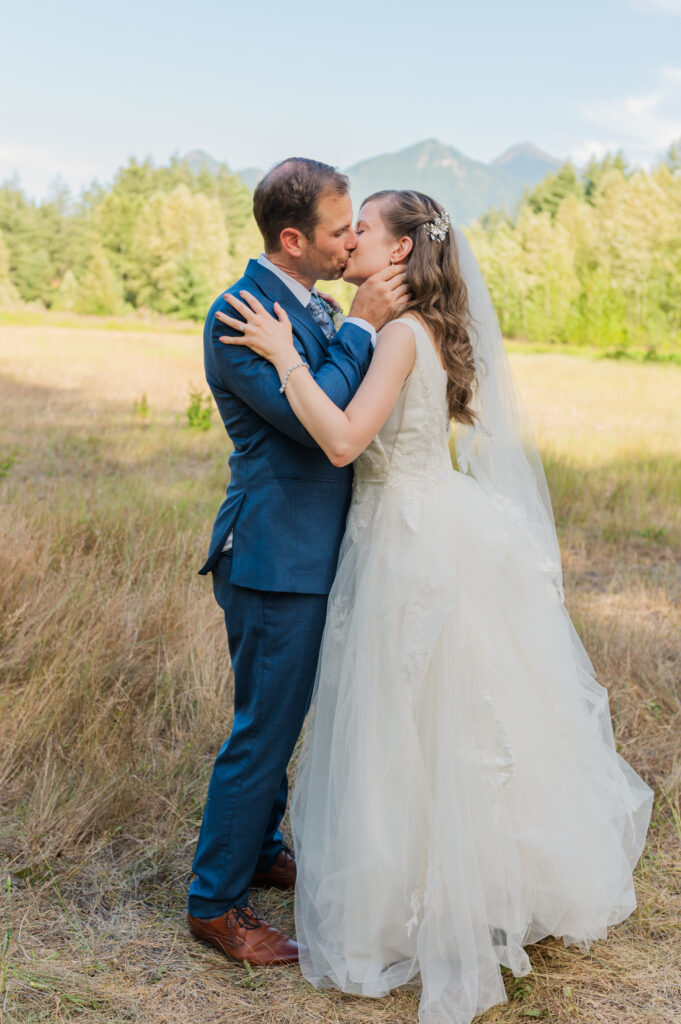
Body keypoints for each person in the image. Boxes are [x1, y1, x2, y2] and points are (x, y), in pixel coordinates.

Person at [216, 189, 654, 1024]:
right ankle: (452, 873)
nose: (348, 243)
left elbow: (343, 441)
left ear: (400, 253)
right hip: (428, 521)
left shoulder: (396, 339)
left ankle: (412, 894)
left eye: (364, 231)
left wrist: (285, 357)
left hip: (403, 538)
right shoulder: (421, 331)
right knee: (438, 713)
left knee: (403, 714)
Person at [187, 160, 409, 965]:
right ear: (293, 239)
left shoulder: (299, 303)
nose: (353, 239)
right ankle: (215, 904)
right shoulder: (239, 313)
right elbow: (318, 420)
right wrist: (357, 329)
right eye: (339, 229)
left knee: (283, 720)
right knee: (263, 730)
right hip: (273, 555)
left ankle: (258, 847)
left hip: (312, 551)